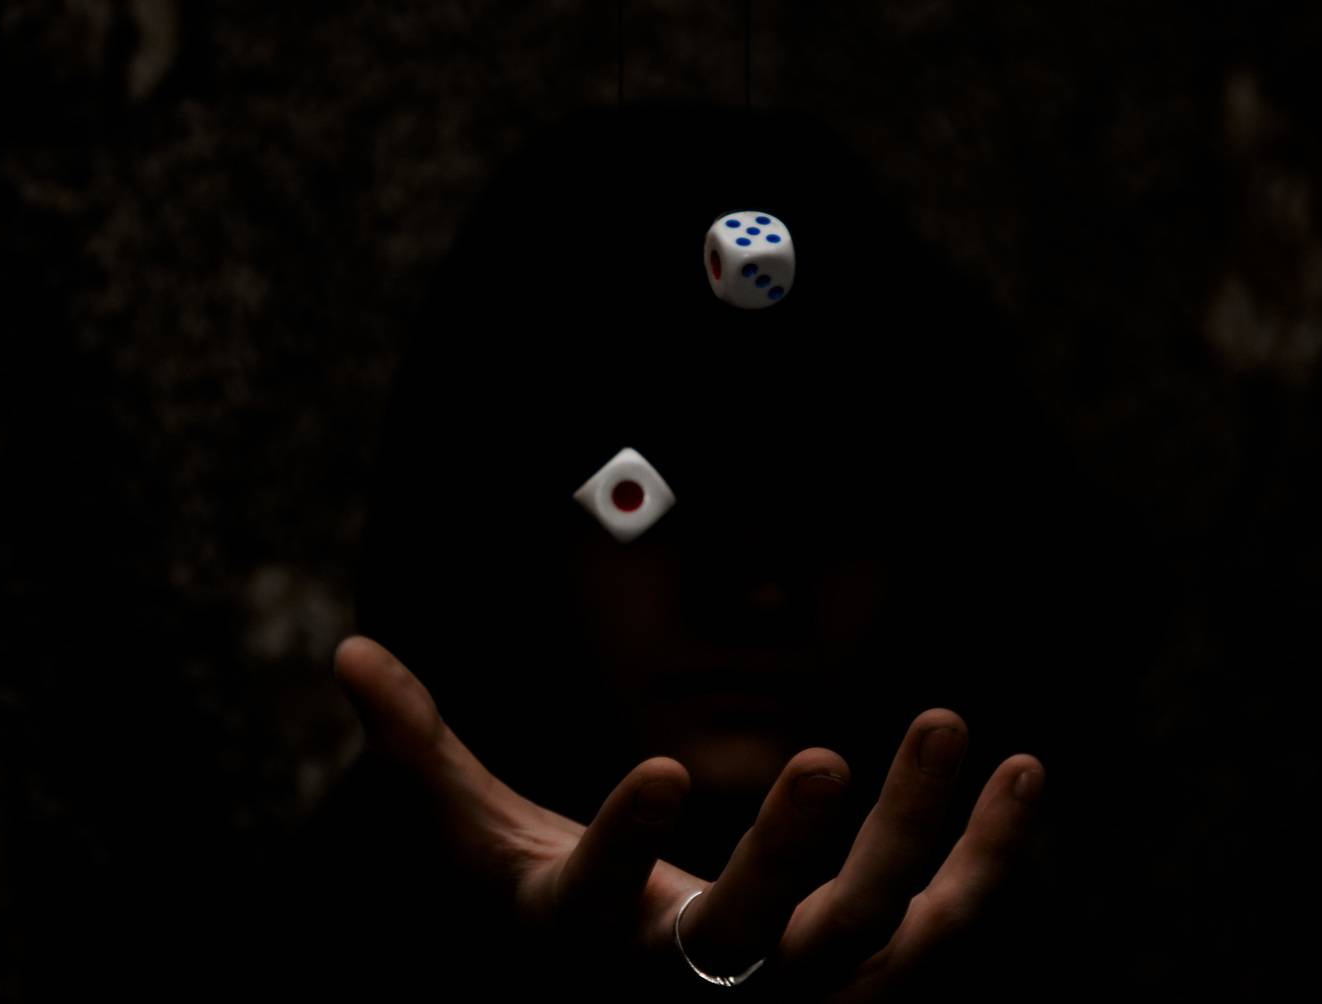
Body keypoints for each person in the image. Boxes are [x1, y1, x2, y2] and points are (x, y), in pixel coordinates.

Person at [287, 104, 1108, 1000]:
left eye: (823, 500)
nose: (753, 591)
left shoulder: (1026, 948)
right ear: (508, 531)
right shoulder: (327, 929)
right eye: (647, 502)